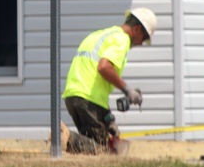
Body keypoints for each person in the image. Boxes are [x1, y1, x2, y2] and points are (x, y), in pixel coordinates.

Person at [60, 8, 157, 155]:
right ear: (137, 29)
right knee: (102, 152)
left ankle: (66, 137)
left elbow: (94, 78)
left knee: (89, 145)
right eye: (143, 38)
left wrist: (108, 119)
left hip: (73, 96)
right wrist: (127, 90)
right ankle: (67, 138)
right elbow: (104, 67)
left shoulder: (101, 34)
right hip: (89, 99)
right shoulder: (122, 39)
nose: (141, 43)